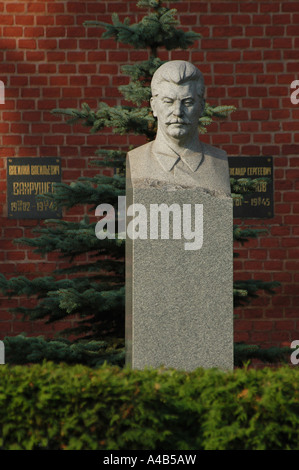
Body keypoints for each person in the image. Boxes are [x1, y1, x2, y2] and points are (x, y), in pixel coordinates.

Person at [127, 60, 231, 196]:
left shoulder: (219, 162)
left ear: (201, 106)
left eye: (188, 102)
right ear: (154, 106)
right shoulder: (137, 161)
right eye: (168, 102)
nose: (177, 111)